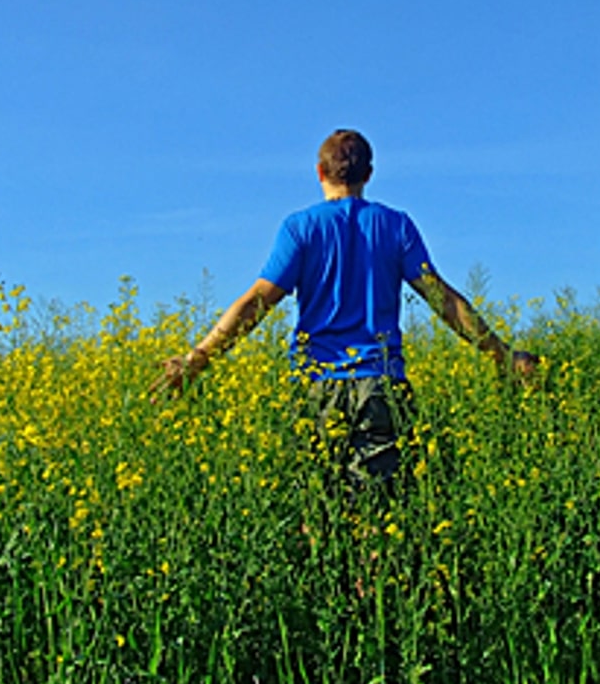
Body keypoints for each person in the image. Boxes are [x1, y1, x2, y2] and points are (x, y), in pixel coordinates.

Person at [150, 129, 538, 487]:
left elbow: (255, 303)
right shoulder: (396, 225)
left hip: (315, 384)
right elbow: (444, 300)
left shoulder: (300, 228)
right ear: (368, 173)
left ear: (319, 171)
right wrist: (502, 356)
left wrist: (197, 359)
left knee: (318, 511)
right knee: (379, 513)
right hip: (380, 385)